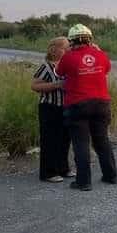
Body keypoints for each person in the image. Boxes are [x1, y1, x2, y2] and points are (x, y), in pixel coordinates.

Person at [56, 24, 117, 191]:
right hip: (101, 103)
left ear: (71, 41)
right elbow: (106, 69)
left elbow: (59, 72)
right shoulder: (101, 54)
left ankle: (84, 182)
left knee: (81, 143)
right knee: (102, 141)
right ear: (90, 39)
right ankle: (111, 176)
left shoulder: (68, 57)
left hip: (77, 104)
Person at [31, 36, 75, 182]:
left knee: (64, 139)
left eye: (69, 47)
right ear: (55, 50)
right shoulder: (47, 67)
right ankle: (48, 172)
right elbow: (35, 86)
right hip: (49, 107)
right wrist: (56, 85)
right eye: (65, 48)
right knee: (50, 140)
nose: (68, 50)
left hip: (66, 106)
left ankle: (63, 168)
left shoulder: (68, 65)